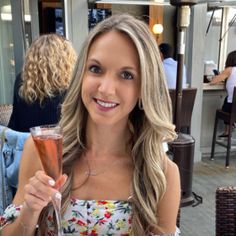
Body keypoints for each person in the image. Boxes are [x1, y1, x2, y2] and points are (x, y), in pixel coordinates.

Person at [0, 14, 181, 235]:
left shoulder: (160, 174)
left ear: (145, 88)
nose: (105, 88)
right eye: (96, 69)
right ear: (80, 76)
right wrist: (30, 210)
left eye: (126, 74)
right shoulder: (41, 152)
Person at [8, 34, 77, 132]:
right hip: (59, 143)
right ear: (66, 58)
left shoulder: (22, 79)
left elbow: (16, 119)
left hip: (25, 141)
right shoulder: (71, 83)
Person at [210, 50, 236, 137]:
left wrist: (217, 76)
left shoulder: (230, 70)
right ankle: (231, 128)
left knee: (228, 100)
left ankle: (228, 131)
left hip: (232, 108)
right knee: (228, 99)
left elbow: (213, 82)